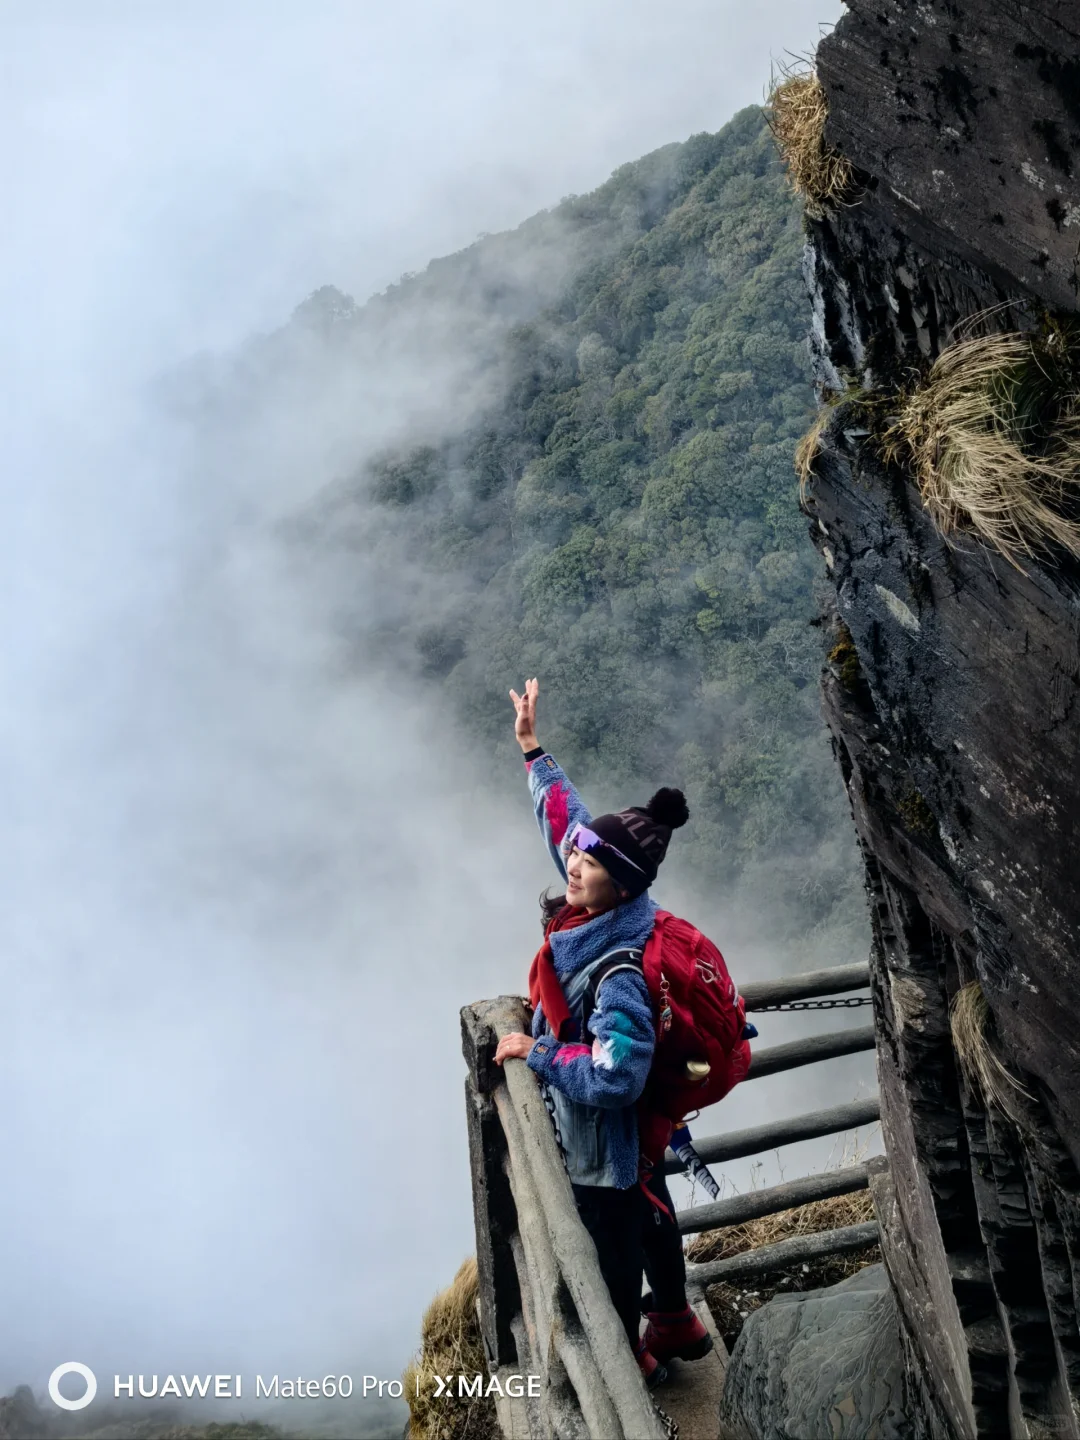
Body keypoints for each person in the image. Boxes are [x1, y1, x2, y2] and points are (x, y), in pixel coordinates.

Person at [494, 677, 714, 1388]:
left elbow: (617, 1075)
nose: (572, 863)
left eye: (585, 861)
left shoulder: (616, 968)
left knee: (614, 1242)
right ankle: (676, 1319)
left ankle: (634, 1361)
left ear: (616, 883)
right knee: (649, 1209)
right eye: (577, 855)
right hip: (634, 1144)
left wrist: (540, 1050)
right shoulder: (606, 898)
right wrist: (533, 748)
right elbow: (568, 822)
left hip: (608, 1144)